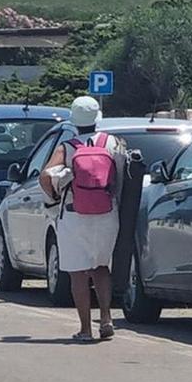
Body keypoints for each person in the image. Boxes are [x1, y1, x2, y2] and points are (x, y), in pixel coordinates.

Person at [40, 96, 124, 342]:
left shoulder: (66, 147)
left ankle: (85, 329)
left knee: (78, 273)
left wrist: (55, 197)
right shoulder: (114, 143)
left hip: (75, 214)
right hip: (107, 213)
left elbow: (45, 176)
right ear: (98, 119)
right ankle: (106, 318)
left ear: (73, 120)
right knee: (101, 267)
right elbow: (123, 177)